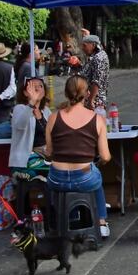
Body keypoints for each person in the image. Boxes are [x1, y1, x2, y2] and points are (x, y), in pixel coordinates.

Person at [45, 76, 111, 238]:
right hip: (84, 179)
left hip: (56, 179)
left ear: (66, 94)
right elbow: (106, 156)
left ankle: (67, 221)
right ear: (88, 94)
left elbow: (49, 152)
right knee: (96, 177)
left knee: (58, 185)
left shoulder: (54, 117)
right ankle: (101, 222)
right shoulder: (97, 119)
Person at [9, 76, 51, 174]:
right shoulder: (19, 108)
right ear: (25, 92)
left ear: (44, 92)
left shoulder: (46, 111)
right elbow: (19, 125)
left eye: (40, 86)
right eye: (32, 87)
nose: (37, 89)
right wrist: (32, 103)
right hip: (26, 160)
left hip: (44, 156)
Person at [81, 34, 110, 110]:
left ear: (93, 45)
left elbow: (96, 82)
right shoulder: (96, 55)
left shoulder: (98, 58)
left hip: (95, 101)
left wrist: (91, 100)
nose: (83, 48)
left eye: (84, 46)